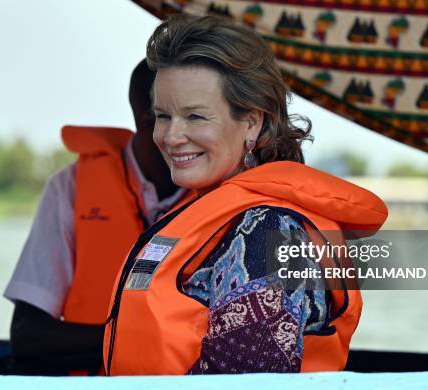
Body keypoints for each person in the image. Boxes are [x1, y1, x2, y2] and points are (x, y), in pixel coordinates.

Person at [102, 14, 388, 376]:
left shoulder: (268, 233)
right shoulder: (213, 213)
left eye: (195, 117)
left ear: (252, 122)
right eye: (162, 115)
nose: (171, 136)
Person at [4, 60, 185, 374]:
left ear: (252, 124)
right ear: (150, 115)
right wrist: (142, 343)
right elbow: (28, 338)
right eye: (195, 114)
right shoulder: (71, 188)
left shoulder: (232, 196)